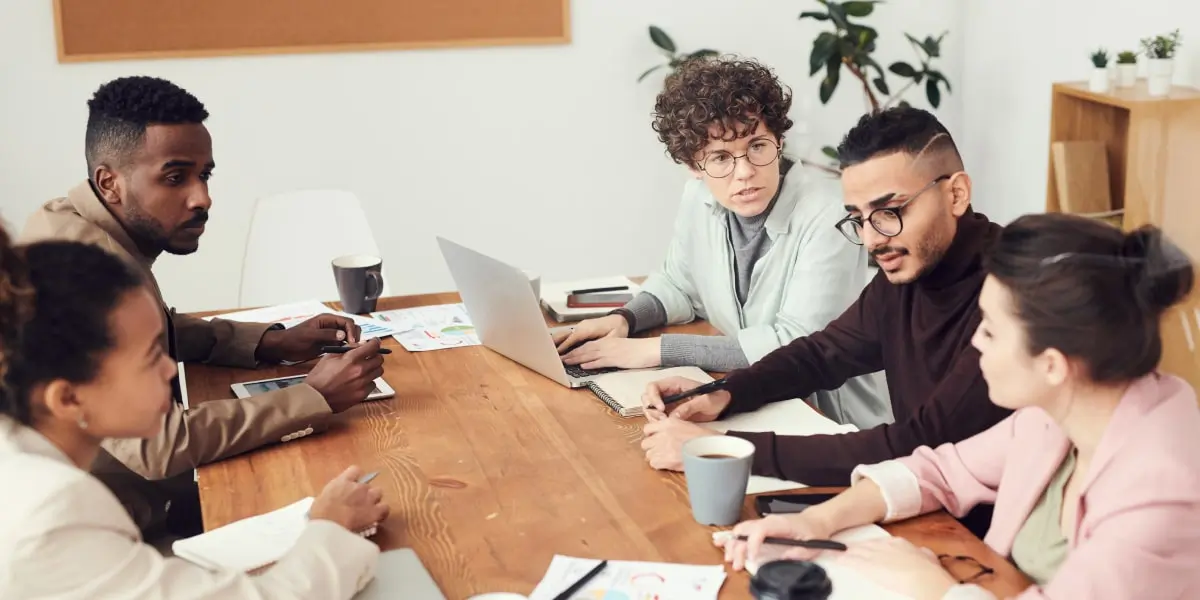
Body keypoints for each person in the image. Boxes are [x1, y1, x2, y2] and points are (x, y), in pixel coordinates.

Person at [718, 213, 1200, 599]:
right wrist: (814, 522)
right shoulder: (1060, 412)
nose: (975, 342)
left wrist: (936, 590)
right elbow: (941, 471)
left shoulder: (1160, 496)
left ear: (1053, 365)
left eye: (989, 329)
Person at [19, 75, 385, 541]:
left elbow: (142, 333)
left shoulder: (75, 226)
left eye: (204, 175)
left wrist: (269, 341)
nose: (202, 198)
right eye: (175, 178)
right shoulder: (77, 276)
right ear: (109, 182)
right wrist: (313, 397)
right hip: (115, 539)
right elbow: (157, 446)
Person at [639, 106, 1012, 492]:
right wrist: (726, 394)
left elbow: (920, 442)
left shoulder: (1012, 296)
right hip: (922, 498)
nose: (872, 240)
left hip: (986, 534)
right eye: (859, 217)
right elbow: (822, 354)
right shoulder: (909, 271)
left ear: (957, 193)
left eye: (891, 211)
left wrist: (725, 448)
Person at [0, 230, 390, 598]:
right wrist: (331, 529)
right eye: (152, 357)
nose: (172, 370)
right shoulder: (53, 512)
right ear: (67, 398)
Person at [554, 56, 887, 428]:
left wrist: (650, 351)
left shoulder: (829, 217)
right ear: (693, 167)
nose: (744, 172)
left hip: (827, 418)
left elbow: (797, 345)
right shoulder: (699, 198)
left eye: (758, 146)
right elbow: (679, 285)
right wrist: (624, 319)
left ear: (779, 139)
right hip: (751, 397)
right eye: (720, 158)